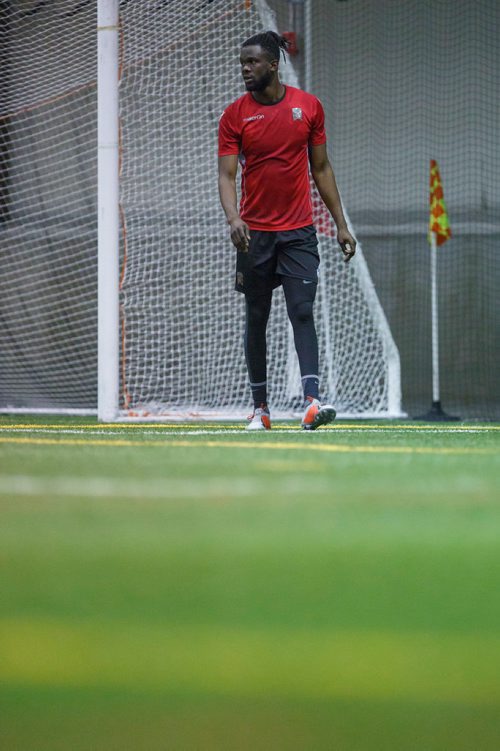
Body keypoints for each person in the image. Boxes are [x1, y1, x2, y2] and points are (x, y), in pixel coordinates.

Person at [218, 30, 356, 431]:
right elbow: (226, 176)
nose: (244, 69)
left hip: (299, 232)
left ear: (273, 65)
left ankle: (312, 402)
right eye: (242, 62)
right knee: (256, 316)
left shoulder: (308, 107)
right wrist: (233, 218)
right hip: (254, 235)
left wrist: (341, 225)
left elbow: (322, 169)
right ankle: (260, 409)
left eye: (252, 62)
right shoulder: (234, 115)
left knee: (302, 311)